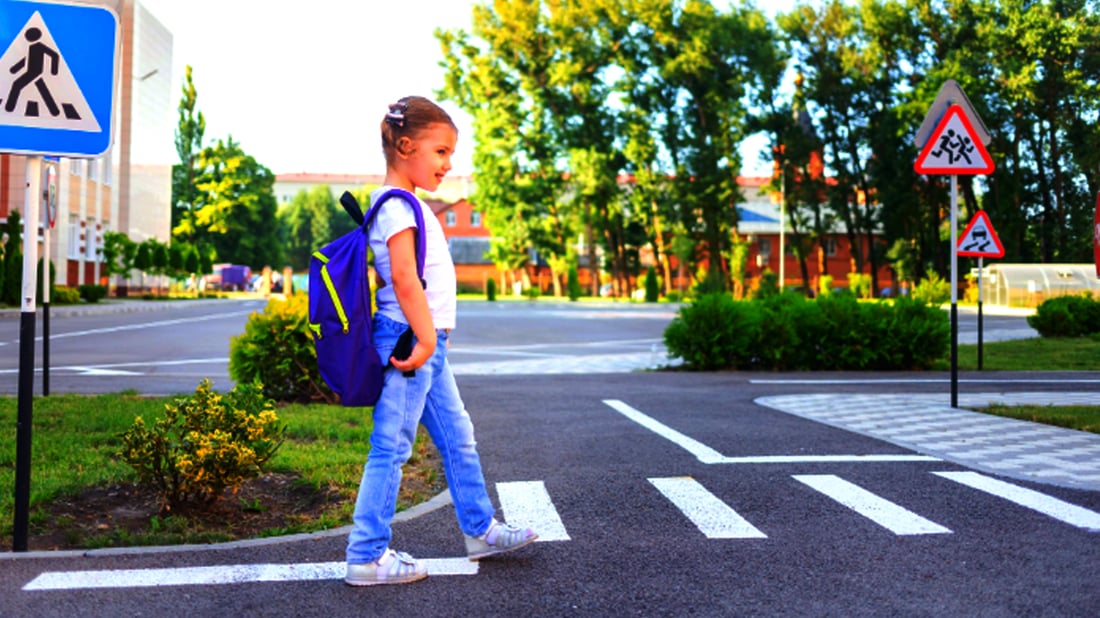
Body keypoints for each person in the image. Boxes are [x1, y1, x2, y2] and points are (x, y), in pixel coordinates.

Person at [345, 96, 538, 586]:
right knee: (391, 446)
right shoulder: (395, 208)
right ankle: (366, 556)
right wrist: (428, 340)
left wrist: (434, 343)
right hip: (413, 341)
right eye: (441, 151)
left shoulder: (407, 205)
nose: (449, 163)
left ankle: (480, 531)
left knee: (459, 438)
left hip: (427, 344)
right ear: (405, 146)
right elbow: (406, 281)